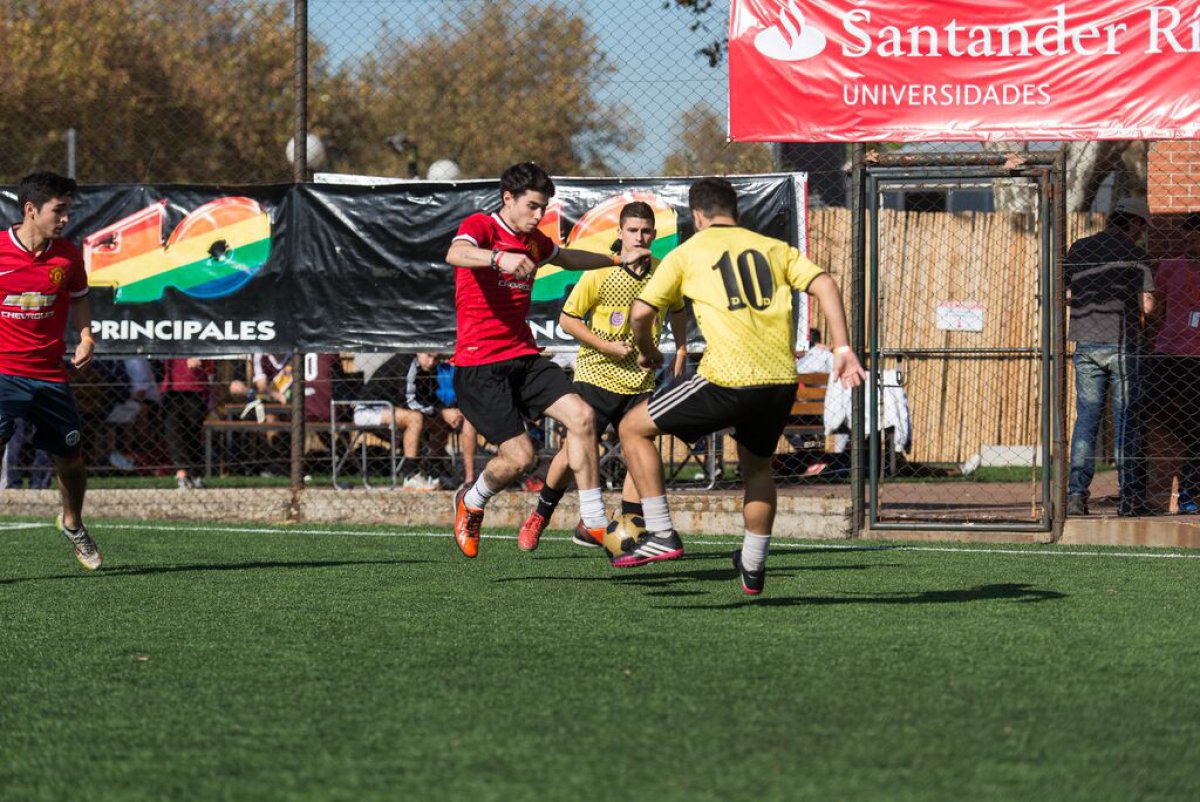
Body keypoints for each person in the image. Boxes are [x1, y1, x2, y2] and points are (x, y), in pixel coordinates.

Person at [615, 177, 864, 594]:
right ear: (738, 213)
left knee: (632, 428)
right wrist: (842, 348)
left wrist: (645, 349)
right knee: (757, 469)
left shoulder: (687, 252)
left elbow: (641, 313)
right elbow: (825, 283)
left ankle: (659, 532)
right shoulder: (773, 248)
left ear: (697, 217)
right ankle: (752, 563)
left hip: (728, 378)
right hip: (780, 381)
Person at [446, 162, 651, 558]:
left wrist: (614, 261)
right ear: (508, 199)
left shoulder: (534, 240)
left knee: (583, 417)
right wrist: (496, 260)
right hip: (479, 366)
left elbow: (568, 258)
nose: (539, 216)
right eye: (533, 206)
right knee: (521, 458)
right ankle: (472, 500)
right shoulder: (482, 227)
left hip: (523, 356)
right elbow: (456, 253)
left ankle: (593, 520)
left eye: (544, 208)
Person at [516, 201, 688, 551]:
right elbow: (568, 319)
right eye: (633, 231)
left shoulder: (663, 271)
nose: (640, 237)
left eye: (646, 231)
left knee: (640, 451)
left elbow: (679, 309)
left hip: (641, 381)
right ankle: (541, 514)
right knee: (573, 451)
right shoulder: (601, 271)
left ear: (654, 235)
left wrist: (682, 348)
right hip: (597, 376)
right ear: (620, 234)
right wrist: (606, 347)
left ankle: (624, 526)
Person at [0, 171, 101, 569]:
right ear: (30, 210)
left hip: (50, 376)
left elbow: (79, 299)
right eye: (59, 211)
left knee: (71, 460)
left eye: (67, 211)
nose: (65, 218)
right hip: (4, 373)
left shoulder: (68, 256)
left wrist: (87, 336)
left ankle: (72, 522)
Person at [1065, 197, 1155, 517]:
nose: (1141, 233)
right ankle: (1130, 496)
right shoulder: (1136, 254)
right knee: (1125, 422)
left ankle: (1076, 495)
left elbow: (1069, 294)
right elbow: (1147, 306)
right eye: (1141, 227)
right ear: (1133, 223)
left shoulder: (1080, 248)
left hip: (1086, 342)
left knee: (1086, 420)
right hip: (1124, 343)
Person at [1147, 212, 1200, 513]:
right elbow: (1155, 309)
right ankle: (1154, 494)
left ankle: (1190, 493)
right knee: (1156, 414)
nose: (1189, 244)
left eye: (1194, 239)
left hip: (1197, 358)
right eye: (1185, 239)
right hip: (1167, 354)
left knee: (1197, 426)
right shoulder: (1171, 266)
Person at [352, 353, 438, 490]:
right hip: (368, 410)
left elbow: (429, 398)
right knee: (415, 419)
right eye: (429, 356)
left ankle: (436, 470)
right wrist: (437, 412)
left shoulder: (426, 369)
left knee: (432, 421)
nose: (432, 361)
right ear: (418, 351)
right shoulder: (407, 363)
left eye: (435, 358)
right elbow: (409, 401)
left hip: (389, 409)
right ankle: (410, 476)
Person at [162, 357, 215, 489]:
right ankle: (182, 474)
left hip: (195, 387)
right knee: (174, 431)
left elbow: (212, 365)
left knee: (192, 432)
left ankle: (195, 473)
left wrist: (201, 360)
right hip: (171, 388)